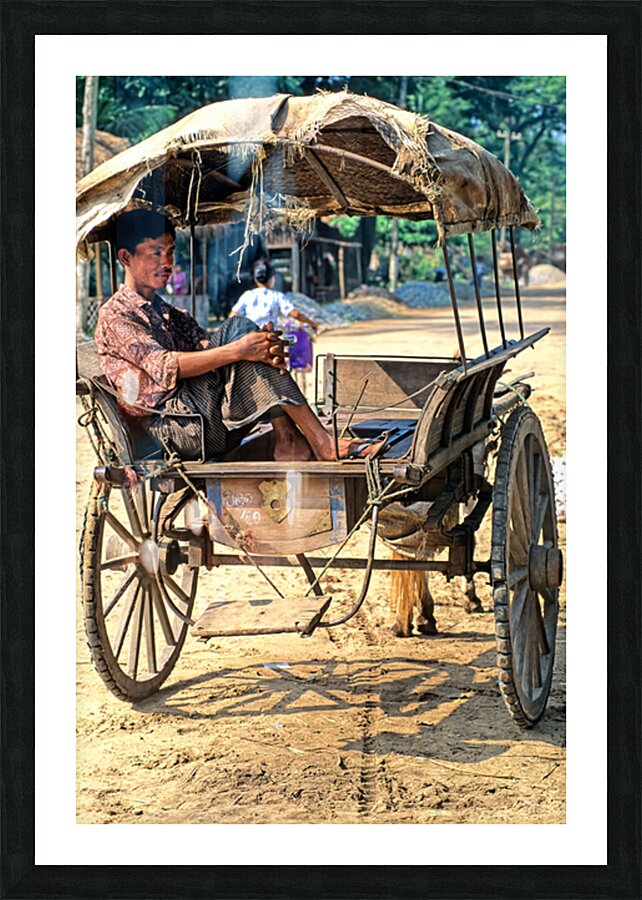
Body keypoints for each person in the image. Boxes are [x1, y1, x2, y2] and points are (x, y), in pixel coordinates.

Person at [94, 210, 384, 463]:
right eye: (156, 252)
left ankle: (289, 441)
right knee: (240, 334)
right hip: (176, 429)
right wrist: (239, 349)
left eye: (170, 252)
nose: (167, 261)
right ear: (126, 257)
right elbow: (167, 365)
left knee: (248, 338)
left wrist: (257, 346)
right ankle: (317, 442)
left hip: (206, 419)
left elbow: (207, 346)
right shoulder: (117, 316)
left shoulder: (170, 313)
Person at [230, 258, 319, 332]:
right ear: (272, 279)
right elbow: (296, 314)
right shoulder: (277, 296)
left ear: (255, 279)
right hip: (269, 338)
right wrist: (312, 323)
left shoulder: (247, 295)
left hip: (251, 337)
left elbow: (233, 316)